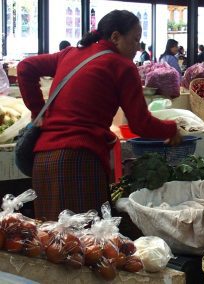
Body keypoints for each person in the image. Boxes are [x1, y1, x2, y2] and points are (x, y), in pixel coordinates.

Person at [17, 10, 181, 221]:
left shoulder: (69, 54)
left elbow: (25, 67)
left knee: (51, 244)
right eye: (135, 40)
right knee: (88, 244)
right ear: (115, 37)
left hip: (43, 162)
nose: (137, 47)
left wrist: (38, 113)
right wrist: (171, 128)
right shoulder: (123, 66)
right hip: (79, 161)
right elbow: (141, 124)